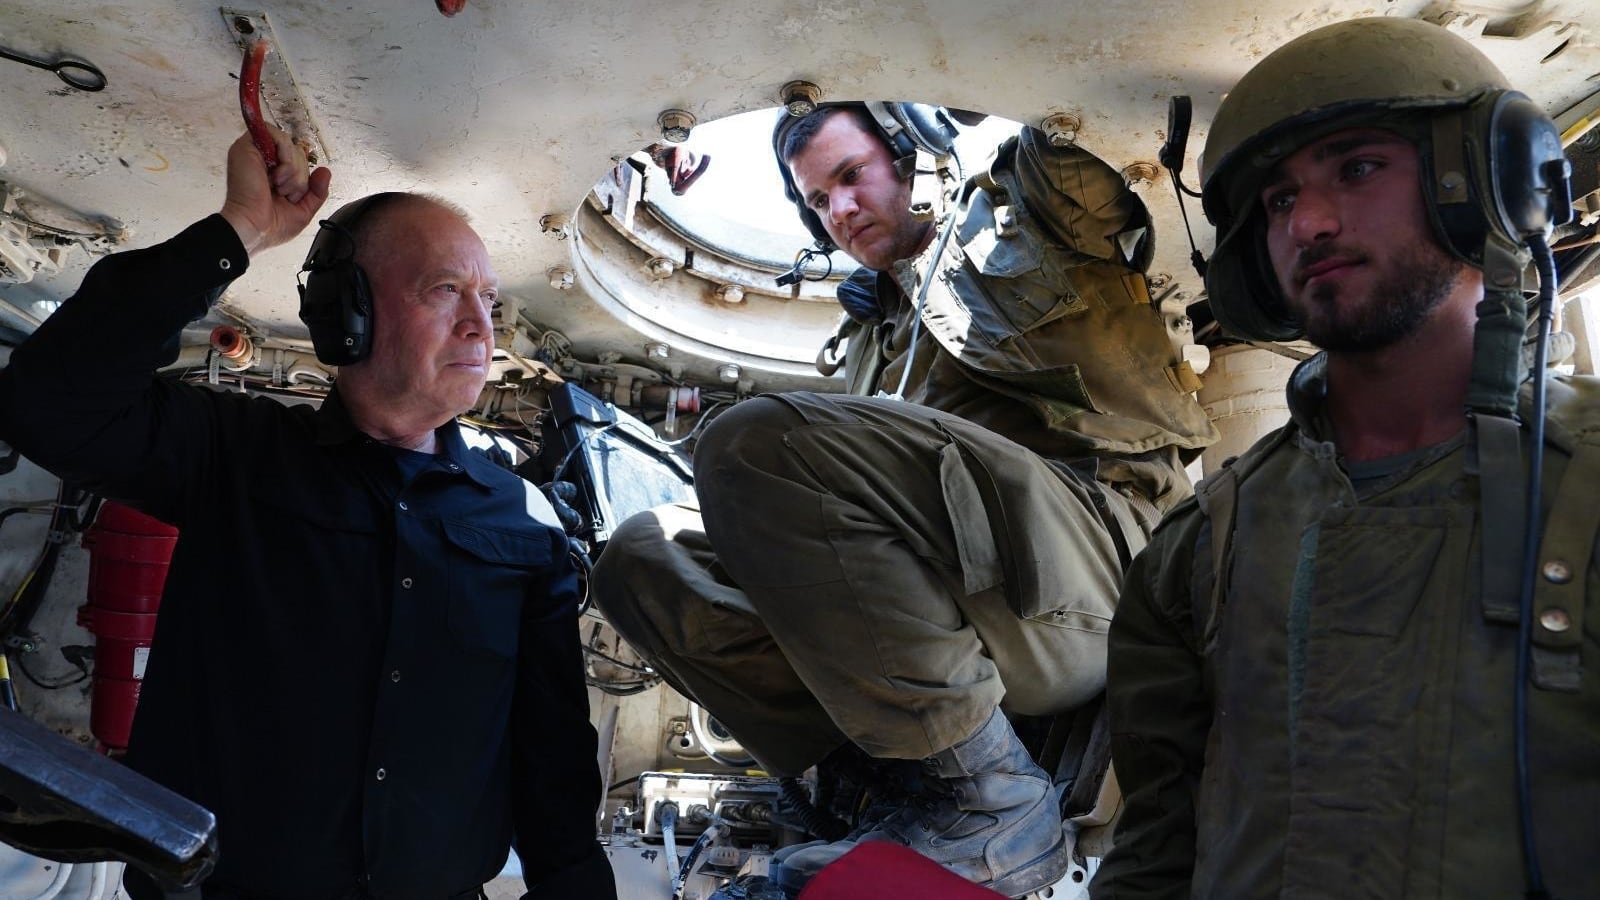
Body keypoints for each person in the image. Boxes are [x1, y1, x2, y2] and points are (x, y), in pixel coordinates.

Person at [590, 102, 1216, 897]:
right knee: (639, 556)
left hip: (1092, 572)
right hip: (964, 605)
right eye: (818, 200)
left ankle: (992, 803)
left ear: (912, 159)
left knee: (755, 441)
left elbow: (1069, 130)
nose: (841, 210)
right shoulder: (871, 336)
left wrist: (969, 100)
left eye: (852, 176)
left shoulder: (1019, 220)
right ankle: (895, 789)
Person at [0, 129, 616, 900]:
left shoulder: (522, 523)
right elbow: (48, 403)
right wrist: (239, 231)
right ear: (346, 311)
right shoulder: (233, 452)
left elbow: (552, 760)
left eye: (487, 299)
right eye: (444, 291)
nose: (481, 326)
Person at [1091, 17, 1600, 900]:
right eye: (1279, 201)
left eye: (1357, 169)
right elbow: (1154, 854)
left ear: (1481, 181)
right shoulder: (1200, 549)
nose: (1310, 223)